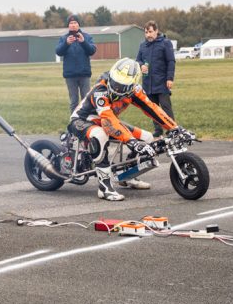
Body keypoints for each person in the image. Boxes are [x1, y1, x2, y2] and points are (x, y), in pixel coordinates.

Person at [69, 58, 178, 201]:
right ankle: (104, 187)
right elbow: (109, 120)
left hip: (107, 121)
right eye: (115, 82)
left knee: (147, 138)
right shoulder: (100, 91)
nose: (117, 88)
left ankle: (128, 177)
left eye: (122, 85)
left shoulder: (135, 91)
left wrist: (174, 127)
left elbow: (152, 108)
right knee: (100, 135)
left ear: (132, 84)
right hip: (82, 121)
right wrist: (132, 142)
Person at [135, 21, 176, 137]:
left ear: (156, 31)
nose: (148, 34)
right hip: (148, 83)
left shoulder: (165, 43)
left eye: (151, 32)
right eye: (146, 32)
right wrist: (141, 65)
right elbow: (137, 60)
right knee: (152, 108)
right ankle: (158, 130)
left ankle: (172, 129)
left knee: (165, 106)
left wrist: (170, 78)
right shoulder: (142, 45)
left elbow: (171, 61)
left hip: (162, 82)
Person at [55, 14, 97, 112]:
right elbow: (58, 52)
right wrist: (66, 43)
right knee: (74, 102)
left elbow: (92, 51)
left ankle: (86, 122)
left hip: (84, 74)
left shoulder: (86, 37)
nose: (73, 25)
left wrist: (83, 42)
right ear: (68, 25)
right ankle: (74, 123)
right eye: (71, 23)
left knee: (86, 101)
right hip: (70, 75)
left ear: (78, 25)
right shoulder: (63, 38)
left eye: (75, 23)